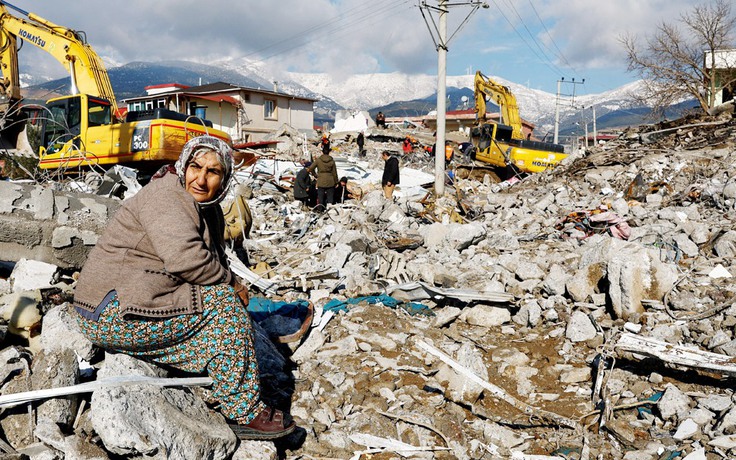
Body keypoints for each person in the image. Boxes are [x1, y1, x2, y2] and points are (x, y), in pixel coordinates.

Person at [72, 135, 296, 441]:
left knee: (228, 315)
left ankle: (225, 374)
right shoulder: (167, 197)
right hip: (110, 310)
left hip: (136, 297)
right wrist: (232, 285)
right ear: (183, 165)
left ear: (225, 178)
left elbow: (212, 258)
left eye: (213, 172)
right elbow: (186, 260)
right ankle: (242, 411)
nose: (201, 179)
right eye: (195, 167)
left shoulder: (204, 207)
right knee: (223, 305)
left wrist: (232, 284)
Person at [308, 146, 338, 211]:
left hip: (321, 180)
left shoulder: (318, 160)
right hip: (330, 180)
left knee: (320, 196)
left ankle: (320, 209)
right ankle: (330, 210)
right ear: (329, 152)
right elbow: (334, 172)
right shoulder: (332, 161)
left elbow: (310, 168)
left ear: (322, 152)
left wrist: (315, 174)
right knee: (330, 197)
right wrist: (336, 182)